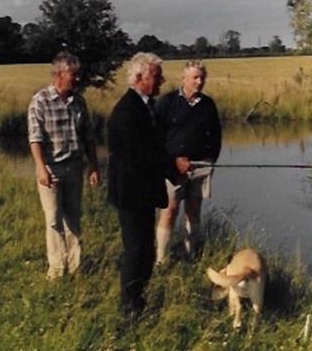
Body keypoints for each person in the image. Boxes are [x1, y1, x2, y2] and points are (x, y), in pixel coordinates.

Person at [28, 51, 100, 281]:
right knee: (53, 218)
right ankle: (57, 270)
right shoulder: (40, 101)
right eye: (73, 74)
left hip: (74, 167)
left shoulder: (79, 101)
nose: (77, 79)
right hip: (51, 168)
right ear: (59, 75)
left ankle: (75, 266)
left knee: (73, 217)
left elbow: (88, 137)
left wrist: (94, 166)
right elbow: (35, 138)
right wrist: (40, 167)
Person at [107, 52, 168, 319]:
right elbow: (137, 158)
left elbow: (150, 150)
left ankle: (138, 300)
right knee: (136, 250)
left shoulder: (145, 105)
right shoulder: (127, 111)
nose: (162, 81)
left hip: (141, 192)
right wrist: (171, 165)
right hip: (131, 194)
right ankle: (129, 309)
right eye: (156, 76)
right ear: (140, 77)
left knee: (145, 250)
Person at [155, 59, 221, 263]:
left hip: (201, 167)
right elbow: (156, 137)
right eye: (195, 77)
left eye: (202, 78)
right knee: (170, 210)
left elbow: (216, 136)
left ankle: (191, 255)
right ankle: (161, 259)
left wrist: (210, 161)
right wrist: (171, 161)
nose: (199, 82)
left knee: (193, 211)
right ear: (184, 78)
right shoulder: (167, 102)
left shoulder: (208, 104)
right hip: (173, 169)